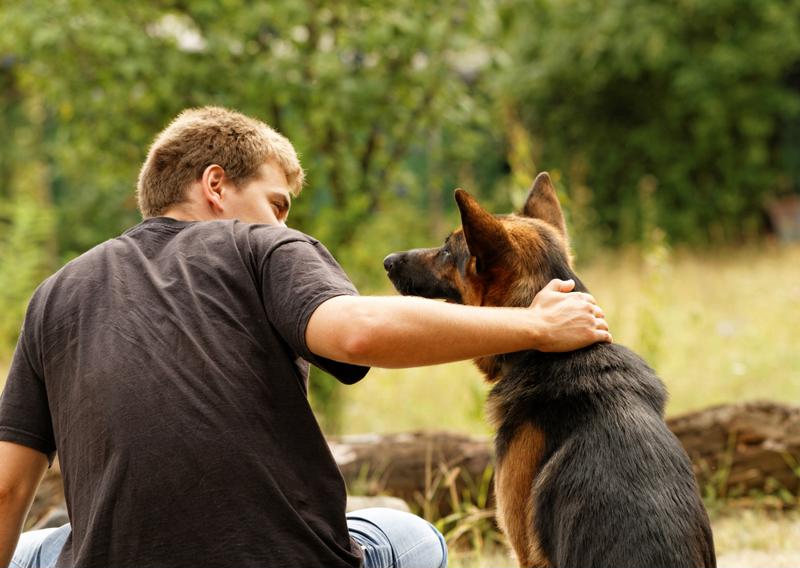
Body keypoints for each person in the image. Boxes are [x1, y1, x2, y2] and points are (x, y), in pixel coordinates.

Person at [0, 106, 611, 568]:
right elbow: (359, 333)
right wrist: (535, 324)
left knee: (36, 545)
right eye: (278, 202)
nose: (283, 220)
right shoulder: (262, 245)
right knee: (413, 537)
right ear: (216, 187)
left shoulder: (54, 293)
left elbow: (6, 487)